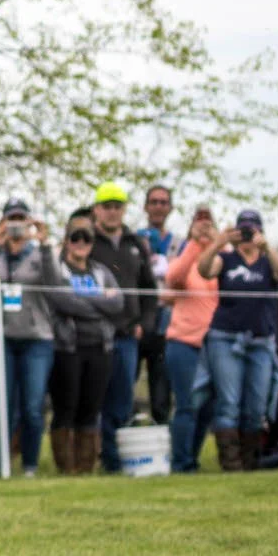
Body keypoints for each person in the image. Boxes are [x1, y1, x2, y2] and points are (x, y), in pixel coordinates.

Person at [197, 208, 278, 472]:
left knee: (256, 405)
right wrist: (217, 243)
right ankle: (231, 465)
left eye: (252, 229)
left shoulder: (268, 261)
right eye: (243, 229)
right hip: (225, 338)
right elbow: (204, 271)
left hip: (260, 340)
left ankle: (250, 463)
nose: (247, 235)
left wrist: (267, 249)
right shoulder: (226, 258)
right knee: (229, 402)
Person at [0, 200, 63, 474]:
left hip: (36, 338)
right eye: (10, 219)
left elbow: (54, 285)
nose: (15, 225)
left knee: (32, 405)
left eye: (21, 219)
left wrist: (45, 245)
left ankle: (29, 465)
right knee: (1, 404)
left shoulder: (40, 252)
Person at [85, 183, 160, 472]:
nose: (113, 211)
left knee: (122, 398)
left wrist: (145, 323)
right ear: (97, 210)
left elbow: (149, 291)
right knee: (93, 398)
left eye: (118, 206)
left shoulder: (135, 243)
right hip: (94, 335)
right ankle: (87, 460)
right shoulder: (87, 241)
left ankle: (115, 461)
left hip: (128, 335)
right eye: (107, 206)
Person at [45, 214, 128, 474]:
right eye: (75, 237)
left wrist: (83, 302)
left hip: (100, 347)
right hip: (67, 348)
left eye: (86, 238)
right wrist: (98, 303)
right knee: (66, 407)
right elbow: (61, 301)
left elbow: (118, 304)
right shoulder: (59, 270)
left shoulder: (101, 272)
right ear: (67, 241)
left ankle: (85, 469)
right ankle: (66, 469)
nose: (81, 242)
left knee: (91, 408)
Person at [161, 207, 223, 472]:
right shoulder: (185, 256)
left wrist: (219, 242)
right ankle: (181, 463)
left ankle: (193, 459)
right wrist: (194, 244)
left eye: (209, 224)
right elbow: (173, 278)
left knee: (208, 409)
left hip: (216, 347)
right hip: (184, 343)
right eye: (199, 225)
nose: (204, 228)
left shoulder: (223, 260)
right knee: (187, 405)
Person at [138, 185, 179, 424]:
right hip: (138, 319)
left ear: (170, 207)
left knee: (162, 387)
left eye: (163, 202)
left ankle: (162, 443)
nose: (158, 207)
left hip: (168, 321)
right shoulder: (133, 239)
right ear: (145, 207)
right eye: (154, 202)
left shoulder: (179, 243)